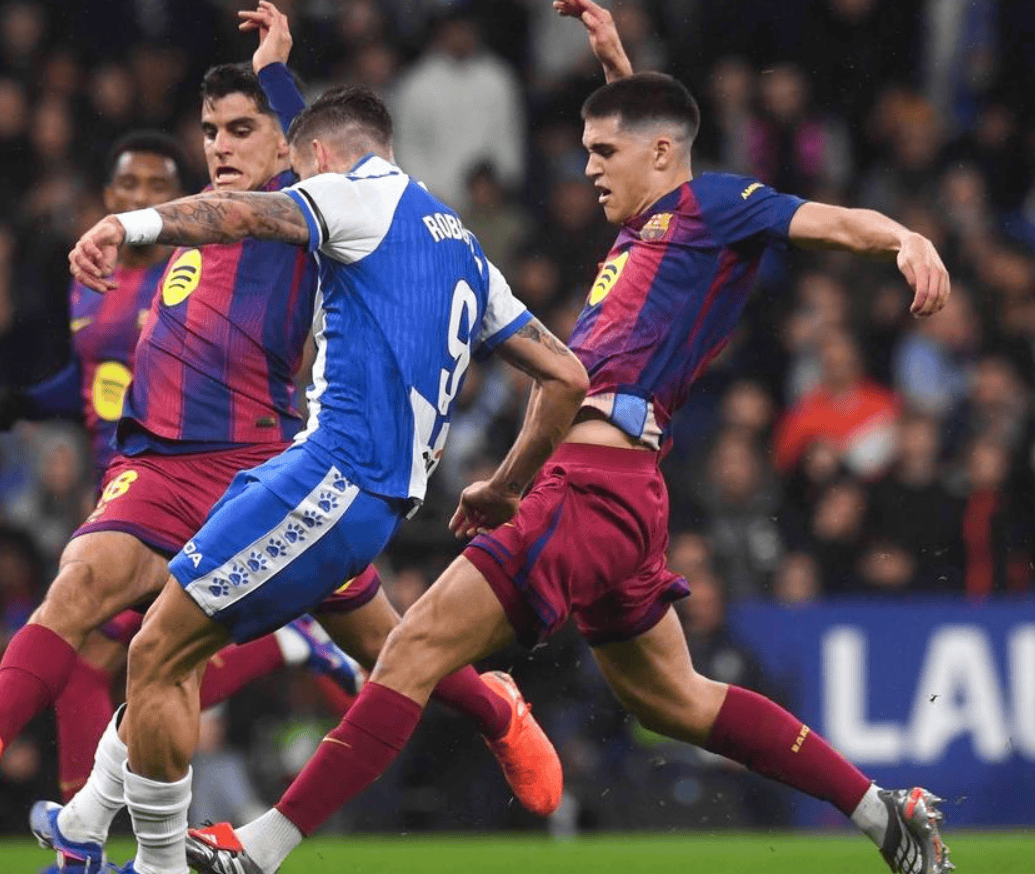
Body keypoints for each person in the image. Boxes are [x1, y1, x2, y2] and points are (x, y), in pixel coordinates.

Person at [182, 4, 954, 874]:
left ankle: (259, 851)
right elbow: (338, 157)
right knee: (674, 698)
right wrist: (617, 65)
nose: (586, 169)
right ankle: (885, 813)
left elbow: (831, 221)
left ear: (658, 155)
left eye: (602, 152)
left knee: (413, 649)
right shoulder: (649, 222)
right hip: (620, 487)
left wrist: (905, 238)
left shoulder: (717, 205)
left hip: (589, 480)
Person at [0, 8, 567, 873]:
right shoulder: (191, 228)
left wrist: (277, 82)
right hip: (160, 466)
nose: (221, 145)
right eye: (210, 131)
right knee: (89, 594)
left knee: (378, 645)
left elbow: (330, 155)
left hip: (263, 467)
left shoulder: (310, 213)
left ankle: (495, 710)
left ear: (292, 150)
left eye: (242, 129)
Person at [0, 126, 364, 807]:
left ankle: (74, 827)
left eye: (158, 187)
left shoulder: (194, 268)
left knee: (112, 661)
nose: (141, 197)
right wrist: (32, 402)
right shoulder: (92, 278)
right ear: (108, 195)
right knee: (137, 663)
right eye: (129, 184)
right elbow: (100, 378)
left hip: (187, 481)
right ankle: (286, 646)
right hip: (122, 484)